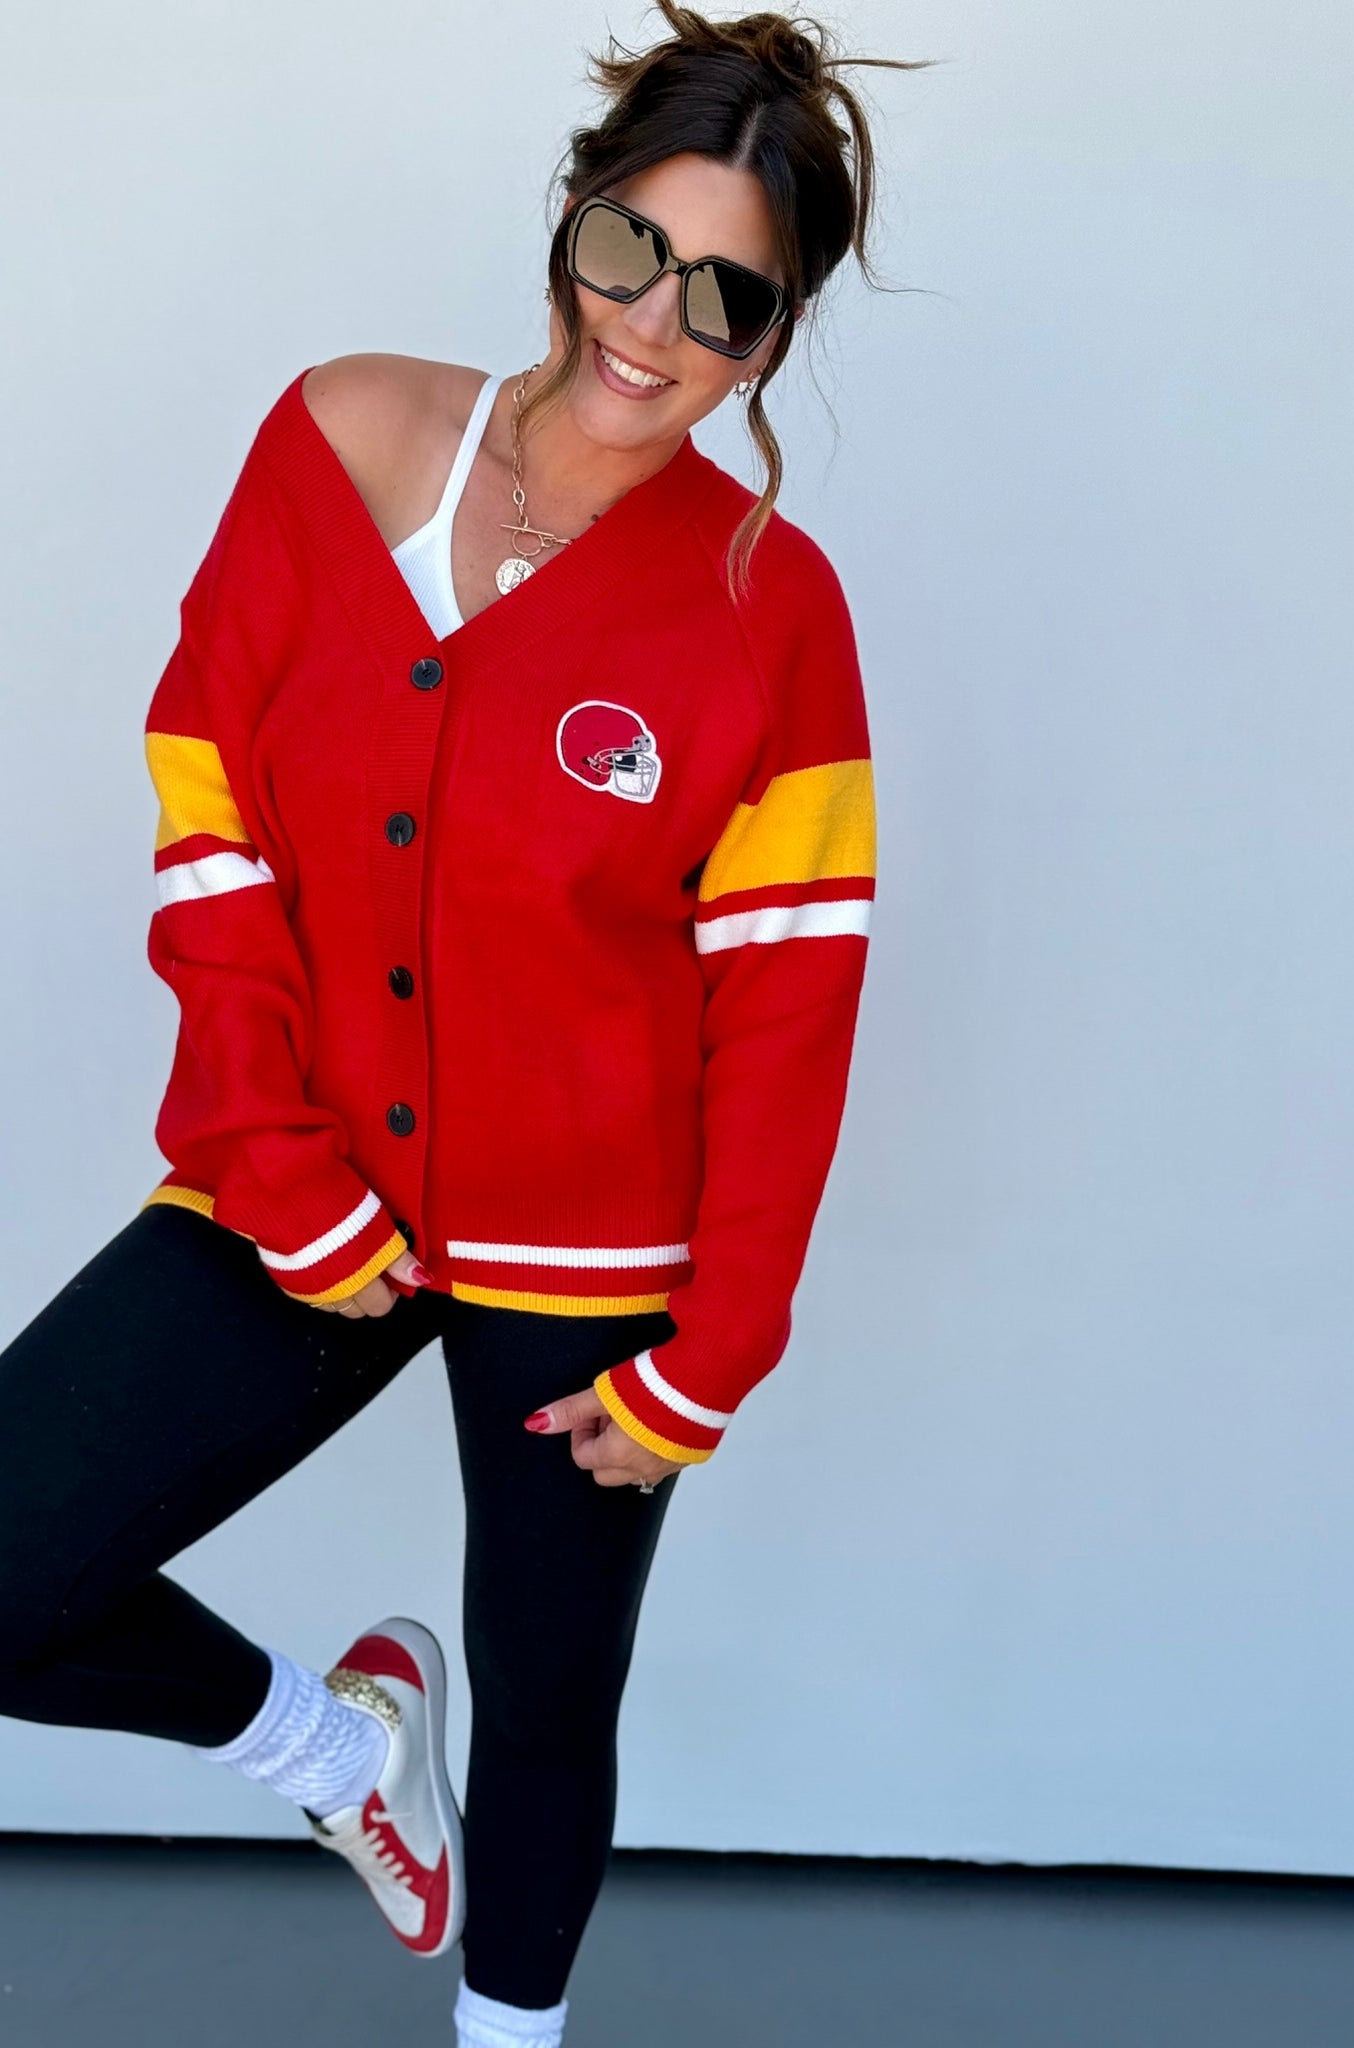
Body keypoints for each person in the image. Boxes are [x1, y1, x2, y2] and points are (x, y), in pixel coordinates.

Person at [0, 6, 917, 2043]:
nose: (652, 326)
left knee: (550, 1698)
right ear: (572, 218)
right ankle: (329, 1752)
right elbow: (208, 812)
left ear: (774, 338)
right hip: (303, 1181)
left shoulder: (774, 612)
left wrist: (713, 1356)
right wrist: (268, 1156)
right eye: (629, 251)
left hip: (594, 1248)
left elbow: (788, 1003)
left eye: (727, 297)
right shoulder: (340, 440)